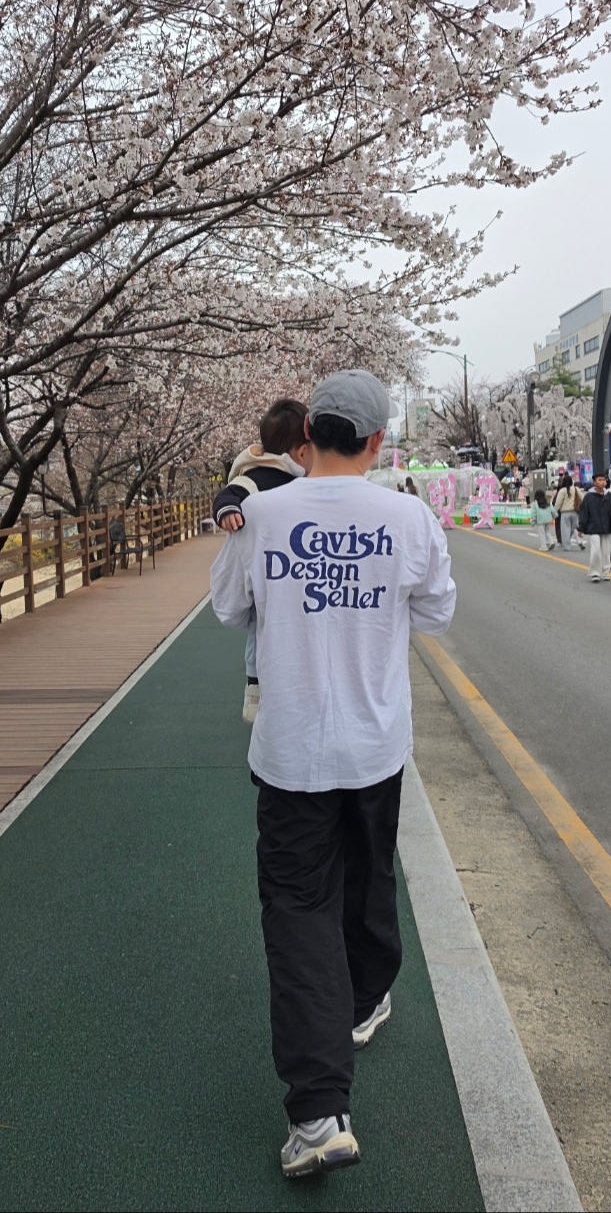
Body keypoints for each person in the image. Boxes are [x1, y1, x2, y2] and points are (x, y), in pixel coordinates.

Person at [210, 369, 456, 1179]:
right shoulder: (410, 515)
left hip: (288, 753)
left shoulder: (263, 514)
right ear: (380, 440)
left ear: (308, 429)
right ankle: (364, 997)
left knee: (298, 912)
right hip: (375, 744)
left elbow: (228, 609)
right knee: (368, 872)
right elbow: (435, 611)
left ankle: (318, 1114)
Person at [213, 399, 312, 719]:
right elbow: (229, 495)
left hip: (282, 568)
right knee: (260, 629)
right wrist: (227, 512)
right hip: (270, 572)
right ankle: (253, 691)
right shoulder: (259, 477)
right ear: (300, 452)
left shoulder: (297, 479)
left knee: (264, 630)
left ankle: (259, 690)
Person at [577, 472, 611, 582]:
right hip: (594, 527)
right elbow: (584, 513)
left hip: (608, 527)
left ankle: (605, 572)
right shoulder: (588, 496)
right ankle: (595, 572)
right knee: (596, 550)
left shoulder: (609, 495)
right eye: (600, 480)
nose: (602, 482)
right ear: (594, 482)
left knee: (607, 551)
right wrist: (581, 528)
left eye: (604, 480)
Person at [553, 474, 584, 551]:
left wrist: (554, 512)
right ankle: (580, 541)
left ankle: (567, 546)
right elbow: (583, 499)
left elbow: (558, 503)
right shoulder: (576, 489)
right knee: (575, 528)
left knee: (565, 529)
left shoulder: (562, 491)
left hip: (565, 513)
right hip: (575, 512)